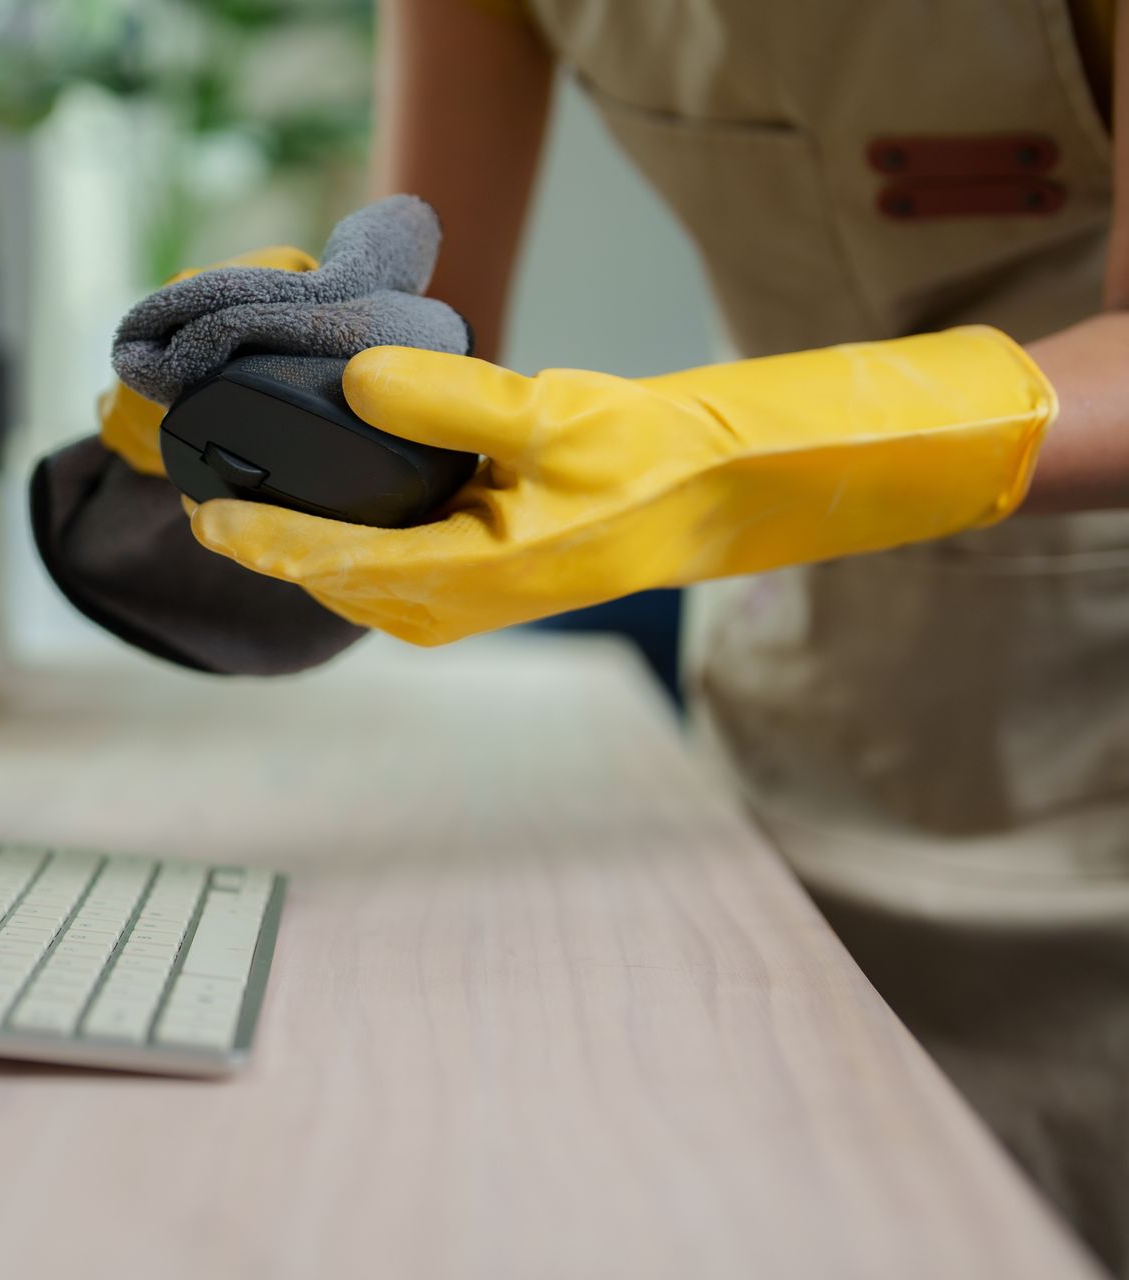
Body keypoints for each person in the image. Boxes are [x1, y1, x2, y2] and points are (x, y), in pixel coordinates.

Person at [99, 0, 1129, 1269]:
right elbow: (432, 327)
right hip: (784, 713)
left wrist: (723, 456)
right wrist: (280, 382)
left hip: (1095, 756)